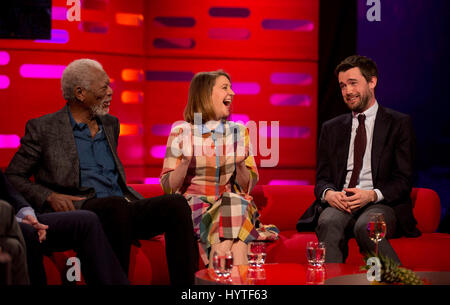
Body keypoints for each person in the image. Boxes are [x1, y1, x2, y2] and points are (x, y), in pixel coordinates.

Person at [6, 58, 198, 285]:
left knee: (175, 204)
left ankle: (189, 289)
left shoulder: (110, 124)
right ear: (80, 93)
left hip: (121, 207)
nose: (111, 92)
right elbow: (12, 177)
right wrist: (48, 196)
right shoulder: (43, 129)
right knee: (114, 207)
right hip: (83, 208)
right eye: (104, 86)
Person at [296, 55, 421, 264]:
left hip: (381, 203)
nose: (347, 92)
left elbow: (404, 180)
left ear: (372, 82)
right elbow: (322, 179)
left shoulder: (398, 124)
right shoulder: (332, 128)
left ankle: (398, 279)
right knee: (328, 221)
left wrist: (371, 195)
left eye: (353, 83)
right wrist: (329, 195)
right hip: (342, 202)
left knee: (367, 226)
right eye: (343, 86)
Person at [160, 70, 278, 266]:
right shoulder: (181, 132)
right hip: (195, 208)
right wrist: (185, 161)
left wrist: (240, 163)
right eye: (225, 88)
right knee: (239, 242)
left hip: (231, 206)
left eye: (230, 87)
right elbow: (168, 187)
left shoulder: (239, 131)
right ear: (205, 94)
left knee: (235, 203)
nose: (232, 93)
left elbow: (247, 186)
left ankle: (217, 276)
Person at [0, 170, 129, 285]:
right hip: (8, 223)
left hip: (20, 219)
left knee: (86, 220)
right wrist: (18, 220)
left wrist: (28, 215)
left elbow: (11, 192)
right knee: (28, 233)